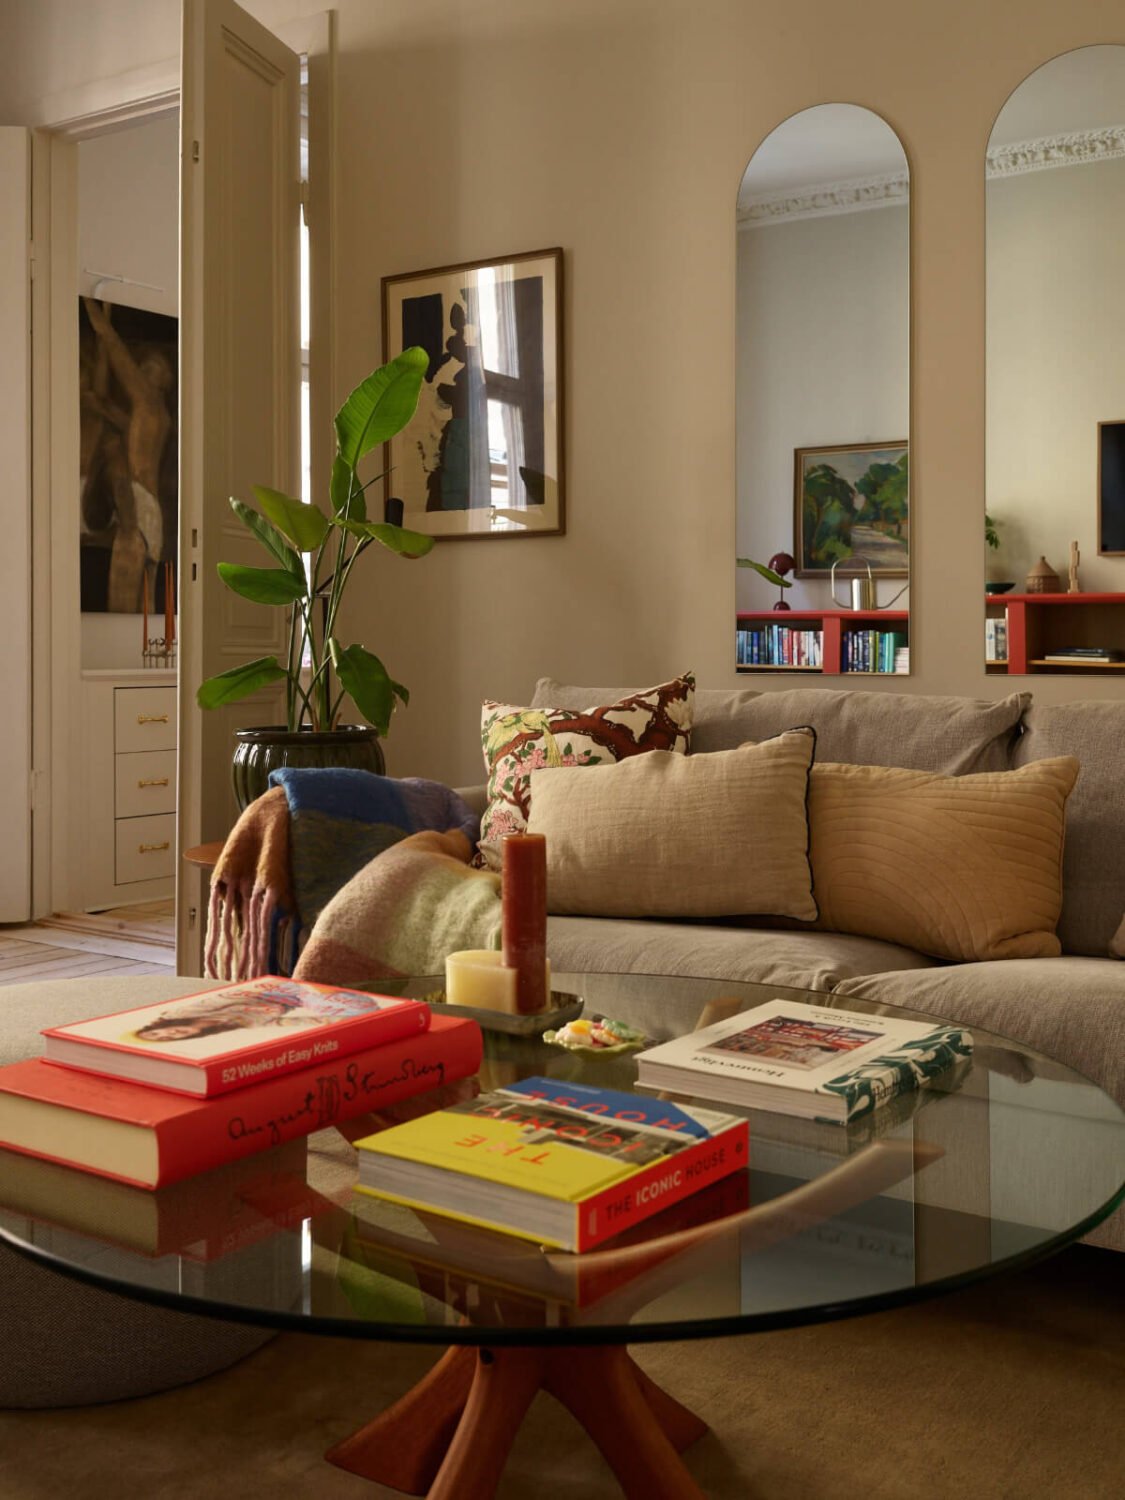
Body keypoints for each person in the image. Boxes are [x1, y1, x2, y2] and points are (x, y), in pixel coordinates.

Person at [82, 297, 174, 610]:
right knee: (140, 621)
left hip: (137, 509)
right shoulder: (151, 418)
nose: (142, 369)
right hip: (150, 515)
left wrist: (95, 307)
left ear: (164, 382)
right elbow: (103, 406)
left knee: (122, 609)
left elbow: (112, 343)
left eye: (151, 367)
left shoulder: (148, 400)